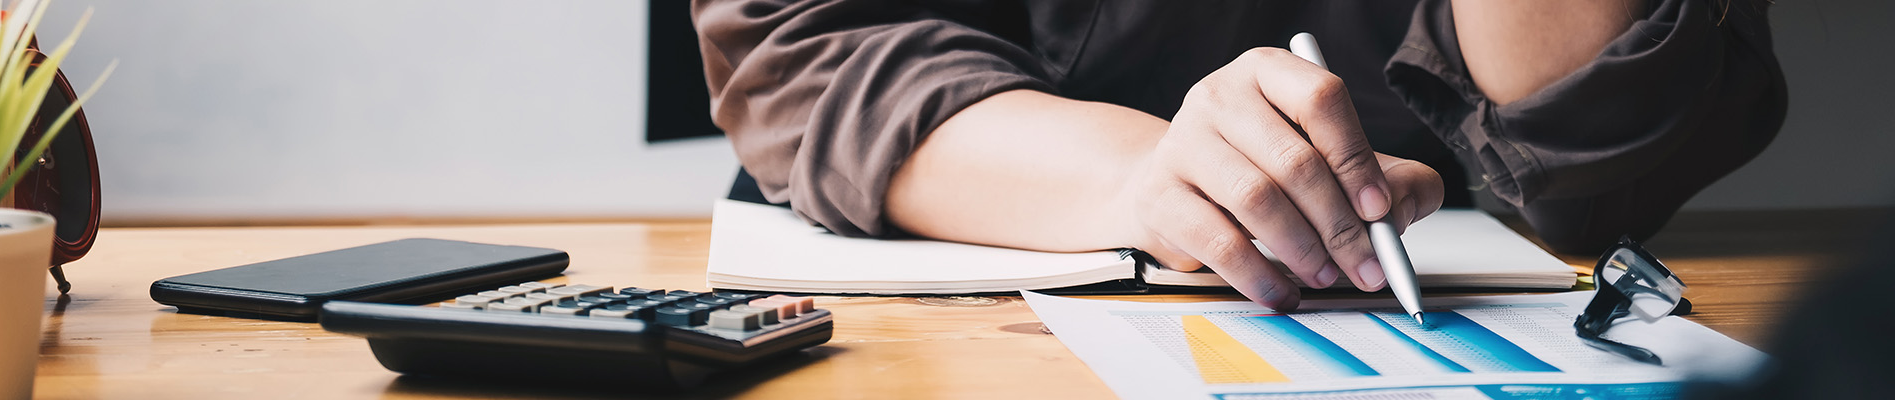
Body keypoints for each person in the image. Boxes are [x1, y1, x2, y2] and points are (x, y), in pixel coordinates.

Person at [692, 0, 1786, 310]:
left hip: (1450, 277)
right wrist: (1146, 177)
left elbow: (1589, 148)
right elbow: (808, 46)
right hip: (974, 291)